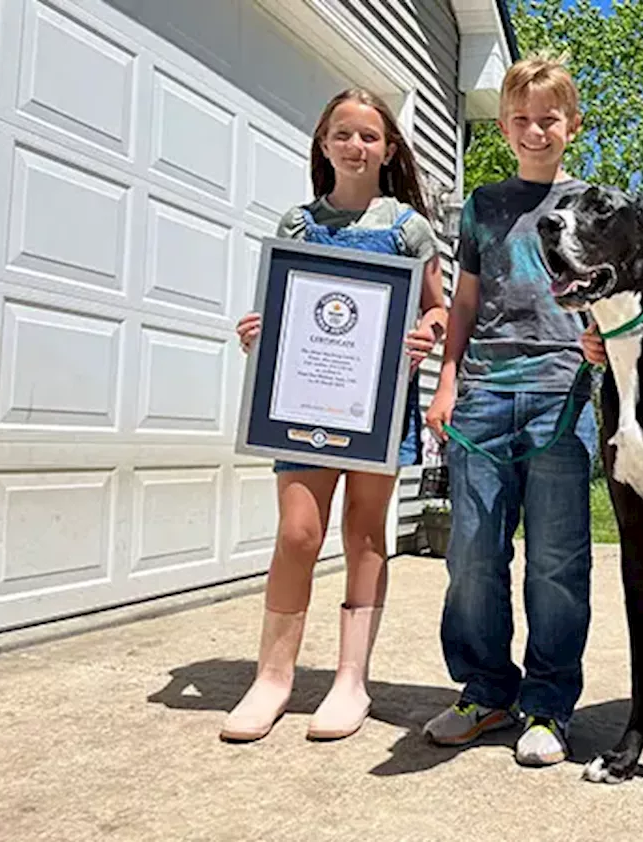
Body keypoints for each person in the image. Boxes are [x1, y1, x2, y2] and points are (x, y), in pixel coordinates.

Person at [220, 88, 447, 743]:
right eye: (342, 134)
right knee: (297, 534)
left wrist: (427, 333)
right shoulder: (297, 223)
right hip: (301, 404)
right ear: (323, 144)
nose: (356, 146)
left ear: (389, 149)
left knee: (365, 533)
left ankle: (351, 681)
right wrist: (259, 333)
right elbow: (284, 310)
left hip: (375, 407)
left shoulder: (407, 228)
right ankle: (273, 678)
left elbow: (435, 307)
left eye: (369, 136)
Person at [421, 54, 605, 766]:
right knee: (472, 552)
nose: (535, 131)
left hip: (562, 394)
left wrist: (603, 342)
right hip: (484, 396)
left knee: (556, 560)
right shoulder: (482, 205)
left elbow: (618, 295)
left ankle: (550, 705)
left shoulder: (592, 205)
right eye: (522, 120)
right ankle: (486, 689)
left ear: (572, 125)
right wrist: (447, 383)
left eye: (549, 119)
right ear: (503, 127)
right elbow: (464, 302)